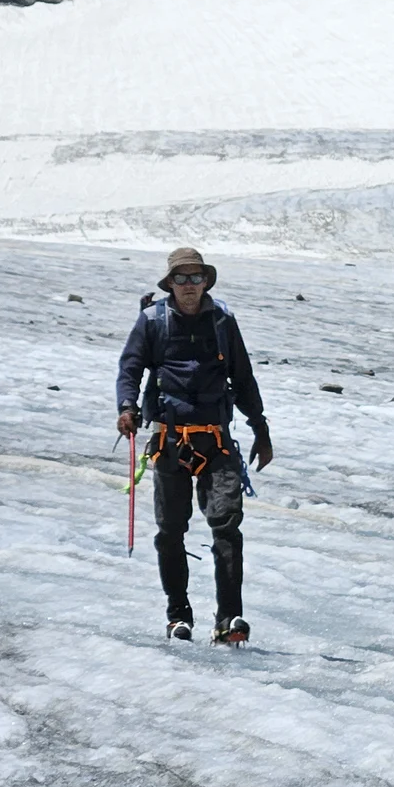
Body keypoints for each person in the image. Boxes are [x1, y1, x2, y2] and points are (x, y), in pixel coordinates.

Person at [116, 247, 274, 643]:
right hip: (169, 442)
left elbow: (243, 376)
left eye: (196, 277)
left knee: (227, 527)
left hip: (216, 442)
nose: (189, 285)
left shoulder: (222, 320)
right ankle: (178, 615)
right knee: (171, 531)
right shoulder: (152, 321)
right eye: (181, 278)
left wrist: (261, 428)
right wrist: (126, 407)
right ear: (170, 283)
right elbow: (130, 368)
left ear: (206, 281)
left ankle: (229, 620)